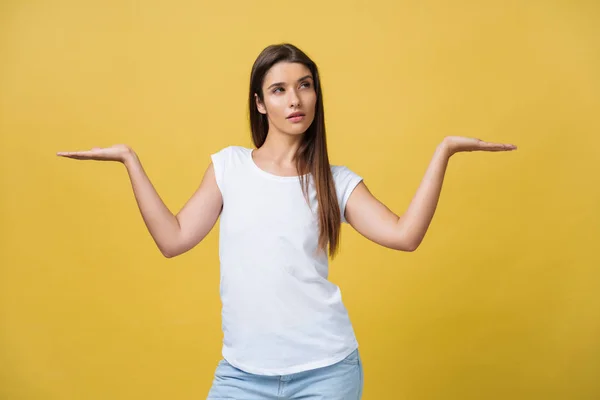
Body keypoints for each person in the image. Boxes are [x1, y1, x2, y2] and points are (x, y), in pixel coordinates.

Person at [57, 43, 517, 399]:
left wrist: (444, 152)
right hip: (242, 375)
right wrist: (129, 161)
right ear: (260, 103)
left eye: (305, 85)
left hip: (327, 372)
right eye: (279, 89)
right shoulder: (229, 168)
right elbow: (173, 239)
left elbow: (405, 235)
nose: (295, 99)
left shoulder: (335, 182)